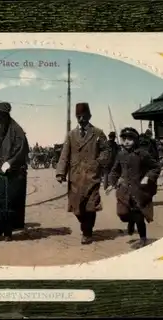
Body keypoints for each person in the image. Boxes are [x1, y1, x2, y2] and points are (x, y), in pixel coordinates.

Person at [56, 102, 110, 245]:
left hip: (92, 176)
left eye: (84, 116)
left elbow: (106, 150)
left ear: (89, 116)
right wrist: (61, 173)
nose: (81, 119)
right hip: (75, 176)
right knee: (77, 208)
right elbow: (64, 155)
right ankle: (85, 226)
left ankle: (87, 233)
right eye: (78, 116)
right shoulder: (71, 135)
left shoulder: (98, 133)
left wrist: (98, 162)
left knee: (90, 206)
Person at [106, 127, 161, 248]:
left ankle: (143, 238)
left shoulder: (142, 154)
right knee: (122, 214)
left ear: (135, 140)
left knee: (138, 215)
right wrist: (112, 183)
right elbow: (115, 171)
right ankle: (130, 221)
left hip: (139, 190)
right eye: (124, 139)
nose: (126, 142)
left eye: (130, 139)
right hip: (124, 190)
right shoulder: (120, 154)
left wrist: (148, 177)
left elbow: (155, 167)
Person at [0, 102, 29, 241]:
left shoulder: (17, 130)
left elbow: (22, 150)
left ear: (6, 115)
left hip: (12, 175)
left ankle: (9, 231)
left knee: (10, 203)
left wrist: (10, 162)